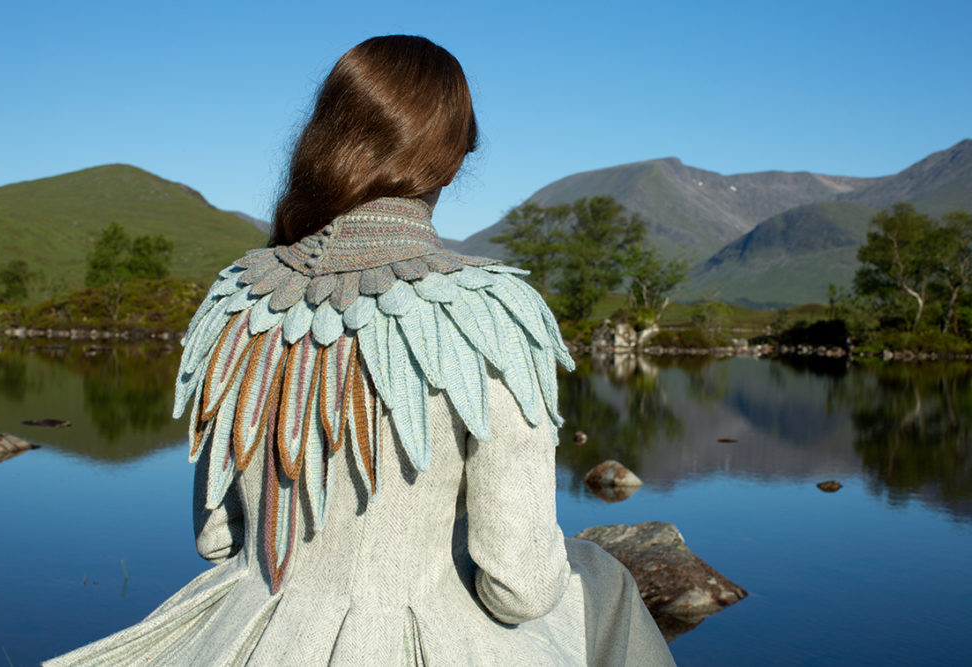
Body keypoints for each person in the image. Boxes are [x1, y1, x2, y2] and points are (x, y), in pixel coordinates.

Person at [46, 35, 675, 666]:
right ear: (452, 160)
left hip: (244, 629)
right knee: (603, 580)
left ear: (324, 140)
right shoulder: (492, 310)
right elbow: (520, 587)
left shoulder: (237, 296)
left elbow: (217, 539)